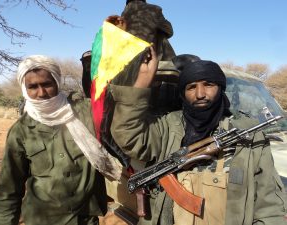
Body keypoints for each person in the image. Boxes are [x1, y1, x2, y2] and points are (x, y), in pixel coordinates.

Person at [110, 47, 287, 225]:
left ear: (220, 88)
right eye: (191, 87)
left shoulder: (248, 133)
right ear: (183, 94)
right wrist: (140, 84)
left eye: (208, 85)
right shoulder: (169, 126)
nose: (200, 94)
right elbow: (128, 136)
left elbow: (269, 201)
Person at [0, 55, 121, 225]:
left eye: (47, 84)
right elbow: (9, 189)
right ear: (25, 89)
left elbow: (119, 110)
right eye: (33, 87)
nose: (41, 93)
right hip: (41, 218)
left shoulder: (85, 112)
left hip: (84, 218)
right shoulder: (21, 131)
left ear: (56, 82)